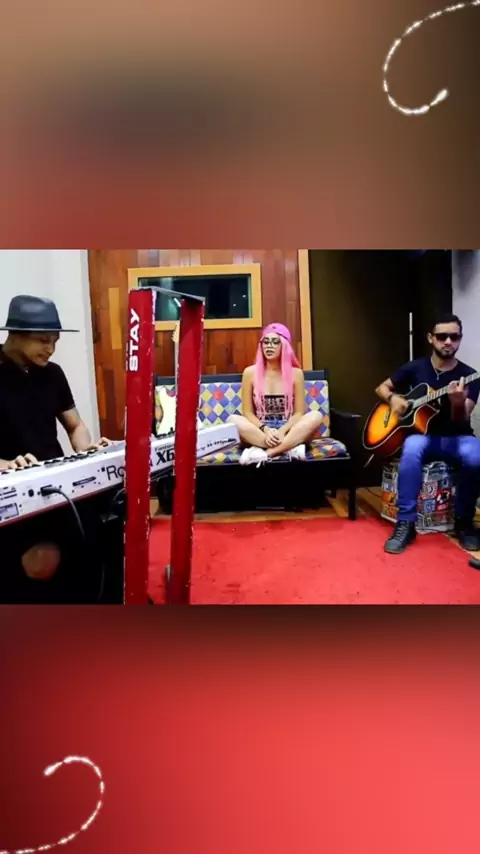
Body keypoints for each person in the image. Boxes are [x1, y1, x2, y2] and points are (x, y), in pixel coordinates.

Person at [0, 295, 111, 597]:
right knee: (39, 562)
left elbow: (75, 426)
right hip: (11, 492)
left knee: (97, 532)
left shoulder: (53, 373)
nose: (50, 349)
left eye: (55, 341)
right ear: (15, 334)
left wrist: (85, 449)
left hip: (55, 482)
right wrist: (5, 464)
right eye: (43, 341)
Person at [375, 313, 480, 555]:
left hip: (458, 437)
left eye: (454, 337)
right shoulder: (416, 368)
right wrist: (393, 399)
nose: (448, 342)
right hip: (423, 435)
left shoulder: (470, 376)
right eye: (442, 336)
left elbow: (462, 417)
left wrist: (457, 402)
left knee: (476, 456)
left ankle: (464, 520)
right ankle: (406, 523)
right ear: (430, 338)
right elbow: (381, 387)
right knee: (411, 449)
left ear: (459, 339)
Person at [229, 323, 323, 465]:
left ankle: (266, 453)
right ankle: (288, 448)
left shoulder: (296, 374)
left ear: (284, 346)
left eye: (275, 342)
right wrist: (266, 430)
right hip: (260, 430)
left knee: (316, 416)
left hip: (289, 429)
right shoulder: (249, 373)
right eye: (266, 342)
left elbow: (298, 413)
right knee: (233, 420)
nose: (269, 346)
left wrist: (282, 431)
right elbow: (247, 413)